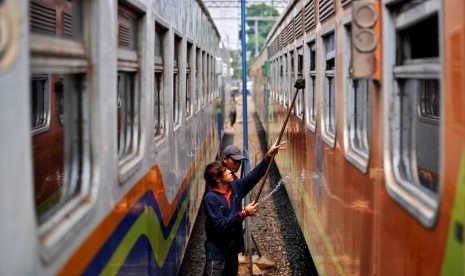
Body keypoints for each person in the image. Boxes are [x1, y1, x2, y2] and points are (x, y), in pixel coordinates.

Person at [202, 141, 286, 276]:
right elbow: (221, 225)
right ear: (217, 179)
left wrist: (268, 156)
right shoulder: (211, 199)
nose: (231, 171)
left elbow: (253, 176)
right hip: (217, 253)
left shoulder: (235, 187)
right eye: (226, 170)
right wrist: (244, 213)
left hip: (232, 250)